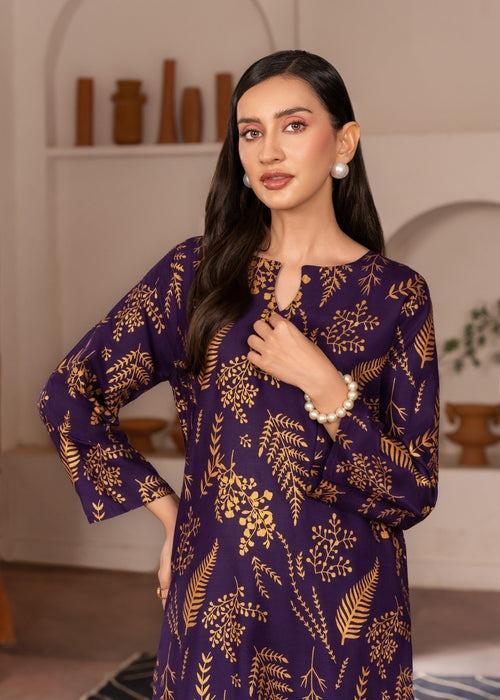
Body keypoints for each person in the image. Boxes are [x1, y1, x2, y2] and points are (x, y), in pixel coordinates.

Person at [37, 49, 440, 698]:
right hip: (218, 595)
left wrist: (327, 388)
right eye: (251, 132)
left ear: (344, 141)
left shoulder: (396, 295)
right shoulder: (196, 276)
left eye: (293, 125)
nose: (269, 151)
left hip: (347, 611)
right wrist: (171, 515)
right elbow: (69, 393)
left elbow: (413, 490)